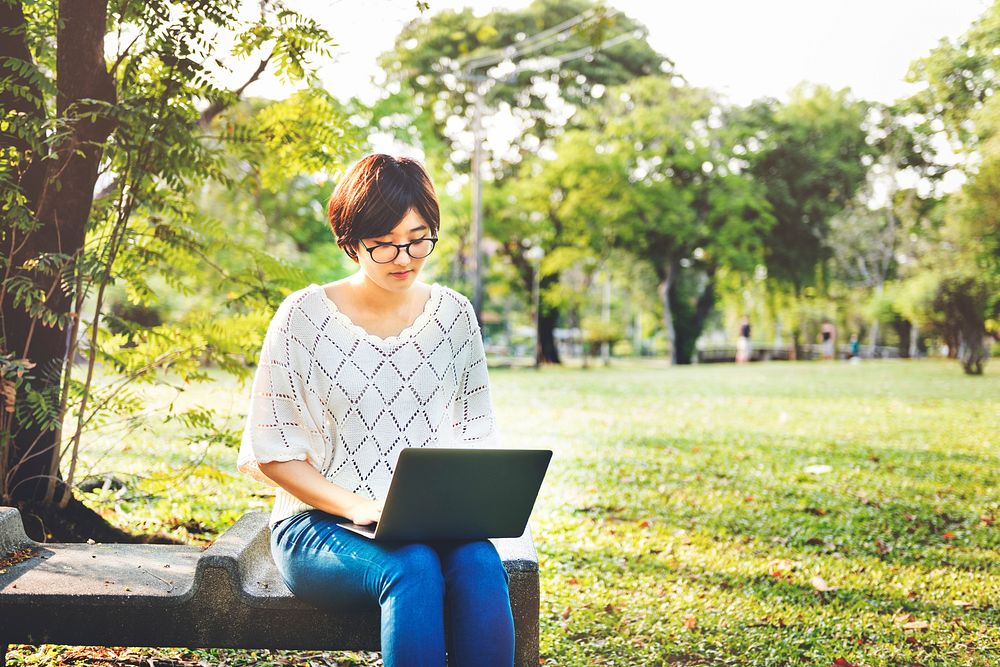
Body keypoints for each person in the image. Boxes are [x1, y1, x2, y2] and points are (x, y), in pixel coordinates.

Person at [236, 154, 515, 667]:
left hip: (429, 522)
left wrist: (463, 507)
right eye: (383, 243)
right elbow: (273, 453)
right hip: (319, 526)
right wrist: (360, 507)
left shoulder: (454, 316)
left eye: (419, 237)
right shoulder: (304, 316)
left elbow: (476, 434)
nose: (404, 256)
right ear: (350, 241)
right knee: (411, 567)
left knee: (479, 561)